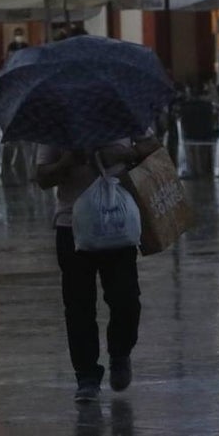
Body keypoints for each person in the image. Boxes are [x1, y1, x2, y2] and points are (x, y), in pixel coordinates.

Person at [35, 135, 161, 403]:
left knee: (126, 298)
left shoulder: (121, 114)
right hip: (72, 226)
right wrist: (67, 162)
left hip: (118, 220)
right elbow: (42, 177)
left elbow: (154, 147)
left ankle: (120, 352)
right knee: (78, 305)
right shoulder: (56, 126)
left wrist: (126, 153)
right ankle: (86, 376)